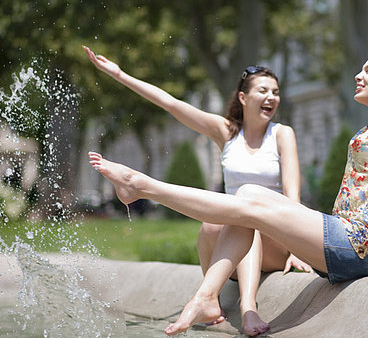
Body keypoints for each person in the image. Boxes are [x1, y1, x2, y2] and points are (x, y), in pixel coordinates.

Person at [88, 0, 368, 336]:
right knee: (249, 199)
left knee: (251, 201)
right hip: (342, 239)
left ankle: (143, 187)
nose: (358, 76)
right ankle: (204, 298)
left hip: (364, 249)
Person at [82, 47, 313, 335]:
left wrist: (298, 248)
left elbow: (293, 197)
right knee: (211, 224)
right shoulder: (226, 132)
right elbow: (171, 103)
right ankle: (210, 300)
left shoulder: (282, 134)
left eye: (276, 92)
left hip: (277, 239)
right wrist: (119, 75)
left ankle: (248, 309)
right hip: (235, 234)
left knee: (247, 217)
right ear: (243, 97)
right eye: (264, 90)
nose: (272, 98)